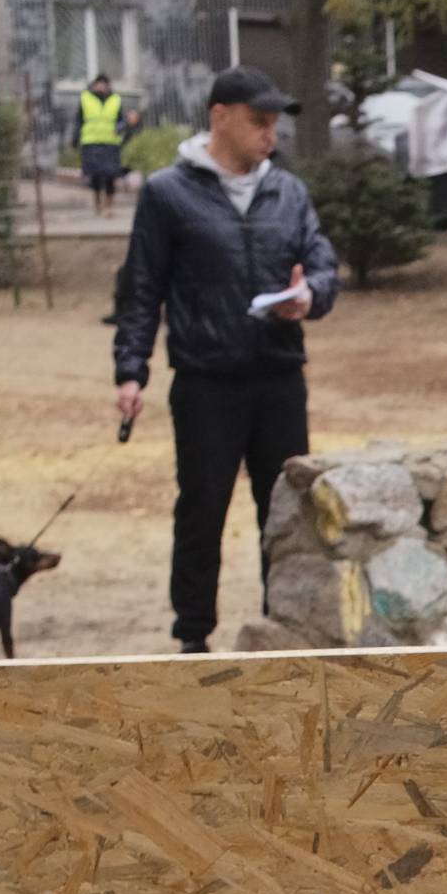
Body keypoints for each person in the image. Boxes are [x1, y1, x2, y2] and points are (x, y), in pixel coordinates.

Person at [110, 67, 338, 655]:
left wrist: (309, 294)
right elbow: (141, 288)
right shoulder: (167, 193)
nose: (271, 135)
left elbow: (323, 266)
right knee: (202, 508)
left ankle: (279, 625)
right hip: (206, 381)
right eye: (259, 122)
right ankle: (192, 636)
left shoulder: (288, 191)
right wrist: (130, 368)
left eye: (275, 124)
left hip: (279, 377)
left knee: (286, 512)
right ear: (220, 117)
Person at [76, 72, 128, 215]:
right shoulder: (85, 98)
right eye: (98, 83)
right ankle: (97, 203)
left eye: (104, 84)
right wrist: (75, 139)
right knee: (95, 176)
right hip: (91, 142)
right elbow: (79, 120)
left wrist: (121, 127)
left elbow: (121, 119)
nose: (101, 86)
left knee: (111, 175)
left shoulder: (115, 99)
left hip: (110, 142)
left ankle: (109, 206)